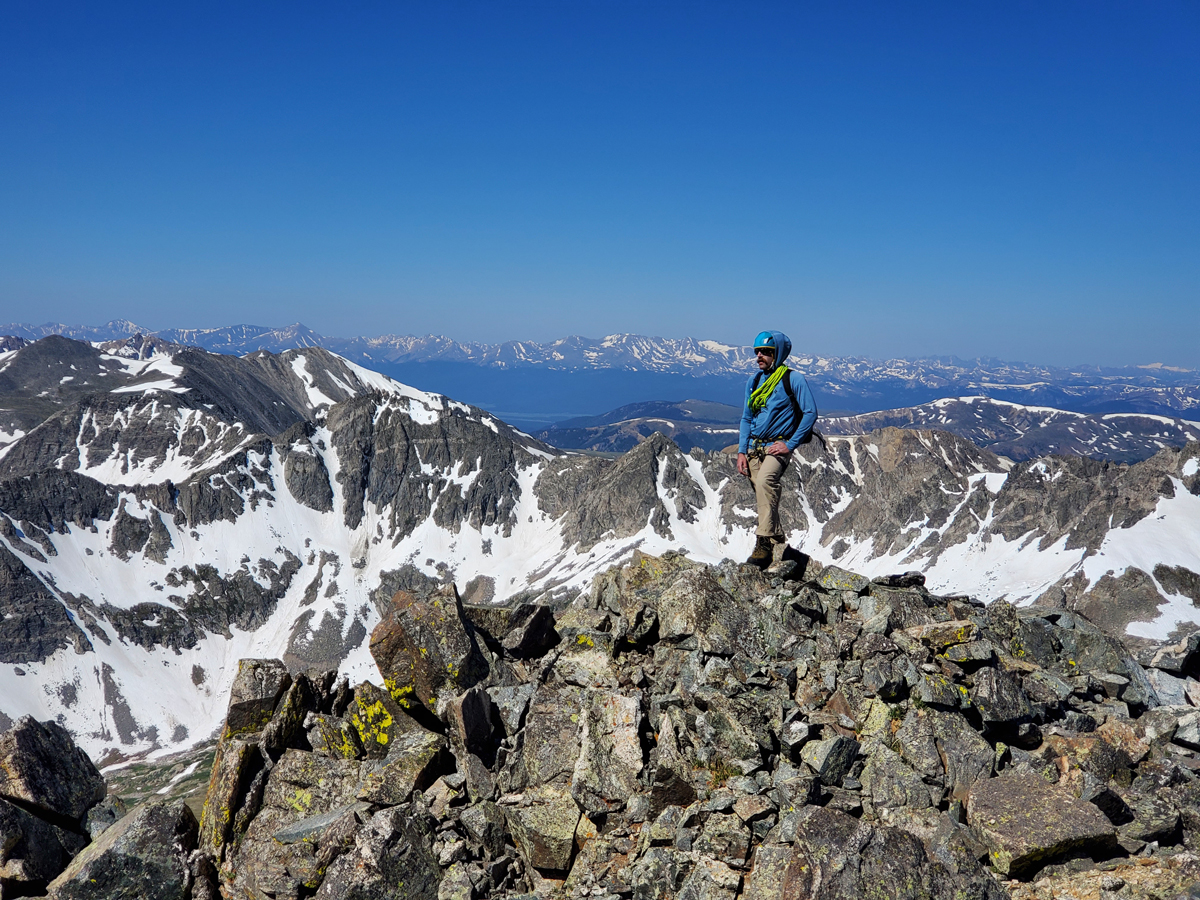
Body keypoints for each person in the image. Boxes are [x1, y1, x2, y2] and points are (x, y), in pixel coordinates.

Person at [737, 330, 818, 569]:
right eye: (757, 352)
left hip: (777, 447)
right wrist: (742, 451)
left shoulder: (793, 379)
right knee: (764, 495)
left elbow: (811, 412)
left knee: (765, 483)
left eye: (766, 352)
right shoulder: (754, 382)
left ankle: (762, 544)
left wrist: (790, 444)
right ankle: (778, 540)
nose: (759, 356)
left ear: (778, 353)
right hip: (755, 447)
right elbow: (746, 417)